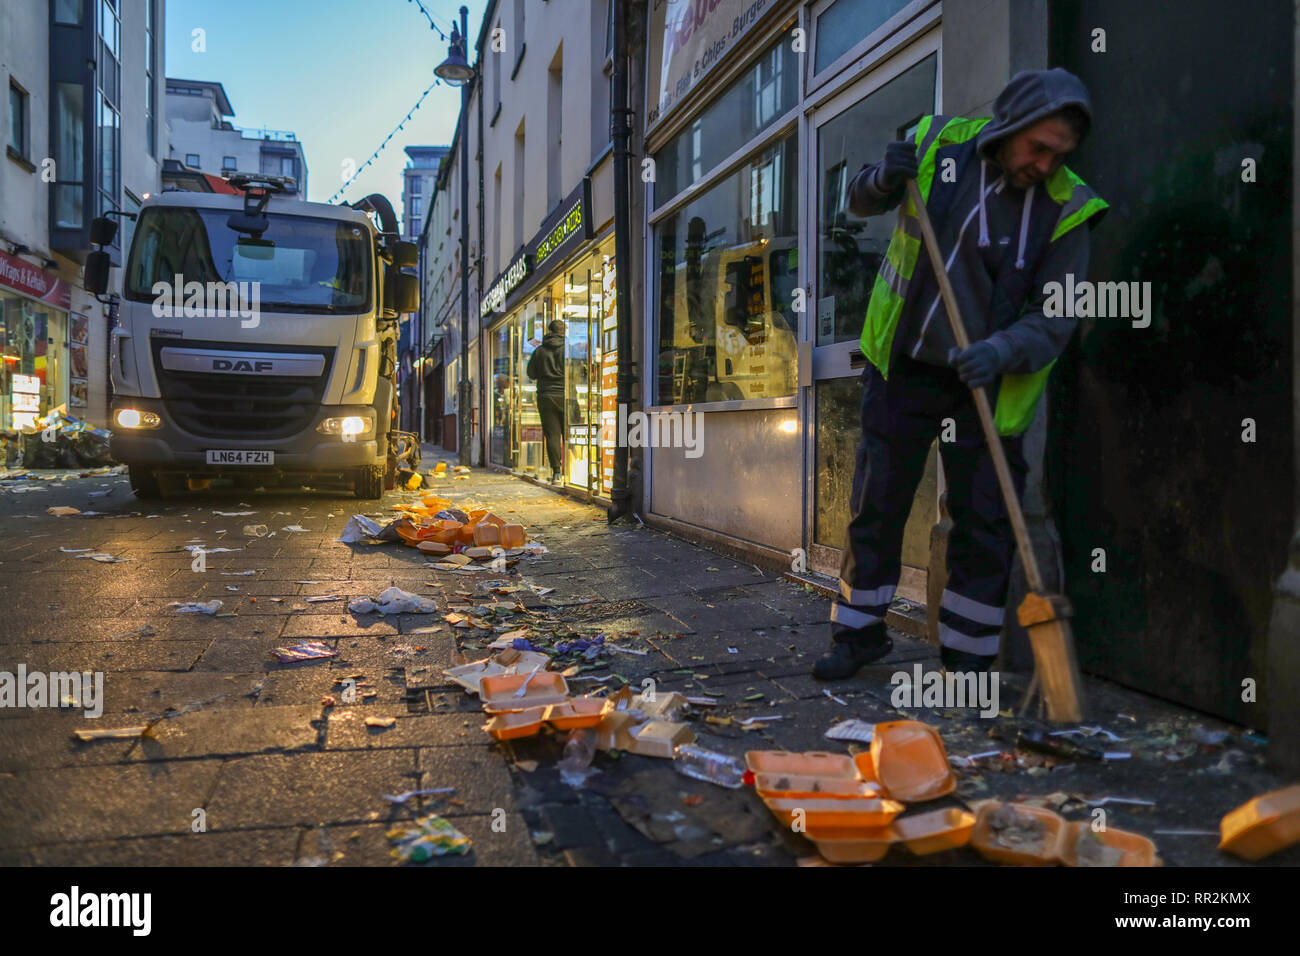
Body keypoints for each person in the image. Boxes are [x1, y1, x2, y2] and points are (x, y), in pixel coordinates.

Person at [813, 68, 1108, 681]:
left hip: (989, 385)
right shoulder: (938, 146)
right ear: (1011, 125)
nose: (1045, 164)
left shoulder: (1068, 209)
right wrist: (880, 178)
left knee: (985, 517)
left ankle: (967, 657)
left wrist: (1003, 350)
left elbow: (1057, 315)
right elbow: (860, 201)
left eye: (1060, 155)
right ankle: (859, 632)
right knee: (879, 501)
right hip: (908, 367)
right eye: (1038, 148)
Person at [527, 319, 567, 483]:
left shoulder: (540, 351)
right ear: (563, 331)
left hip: (545, 396)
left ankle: (557, 472)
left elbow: (531, 373)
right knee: (570, 432)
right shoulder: (568, 348)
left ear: (549, 331)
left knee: (552, 435)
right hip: (566, 394)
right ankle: (575, 470)